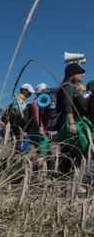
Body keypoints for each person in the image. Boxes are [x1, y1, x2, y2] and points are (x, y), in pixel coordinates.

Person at [55, 63, 93, 192]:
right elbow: (67, 105)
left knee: (69, 152)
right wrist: (71, 122)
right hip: (71, 122)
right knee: (84, 150)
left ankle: (67, 181)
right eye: (80, 72)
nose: (83, 75)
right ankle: (76, 182)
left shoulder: (69, 87)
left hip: (72, 122)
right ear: (73, 75)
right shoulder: (69, 87)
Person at [28, 83, 52, 169]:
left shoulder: (42, 102)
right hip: (37, 130)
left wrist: (48, 131)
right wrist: (41, 129)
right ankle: (37, 174)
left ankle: (42, 173)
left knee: (46, 153)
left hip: (41, 130)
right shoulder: (36, 102)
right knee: (42, 154)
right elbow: (35, 116)